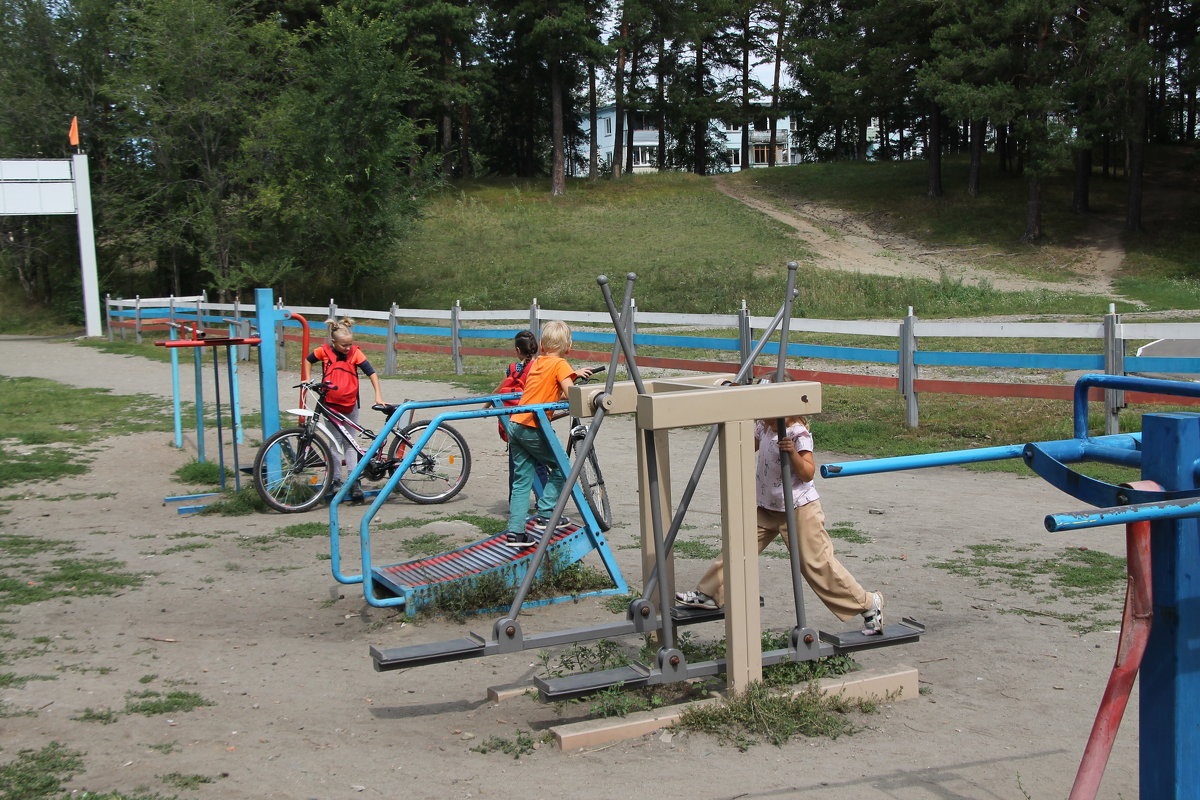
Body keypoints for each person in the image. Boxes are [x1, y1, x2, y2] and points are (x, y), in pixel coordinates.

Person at [675, 412, 885, 635]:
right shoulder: (764, 427)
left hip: (799, 508)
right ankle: (710, 593)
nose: (769, 421)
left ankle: (868, 603)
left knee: (815, 564)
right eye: (765, 416)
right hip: (767, 507)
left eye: (774, 418)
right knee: (739, 547)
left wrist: (792, 453)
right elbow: (744, 447)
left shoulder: (798, 433)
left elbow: (807, 473)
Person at [502, 320, 593, 548]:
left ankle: (516, 532)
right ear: (569, 346)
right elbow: (569, 393)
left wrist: (571, 375)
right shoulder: (561, 364)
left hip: (516, 423)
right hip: (533, 426)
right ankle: (546, 512)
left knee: (522, 480)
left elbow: (548, 392)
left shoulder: (538, 362)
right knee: (564, 468)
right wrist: (579, 380)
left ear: (541, 345)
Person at [306, 317, 385, 504]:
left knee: (350, 443)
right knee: (334, 443)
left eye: (350, 344)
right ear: (333, 342)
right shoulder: (323, 352)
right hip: (330, 405)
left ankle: (354, 480)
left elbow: (371, 373)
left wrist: (378, 395)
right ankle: (336, 480)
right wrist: (307, 379)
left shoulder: (356, 354)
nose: (347, 348)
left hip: (351, 404)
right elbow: (308, 360)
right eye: (343, 345)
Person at [495, 330, 548, 503]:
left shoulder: (512, 369)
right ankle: (544, 504)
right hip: (534, 423)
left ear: (518, 350)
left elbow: (499, 390)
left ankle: (515, 504)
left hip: (514, 424)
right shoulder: (539, 367)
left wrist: (486, 406)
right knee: (540, 465)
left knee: (517, 467)